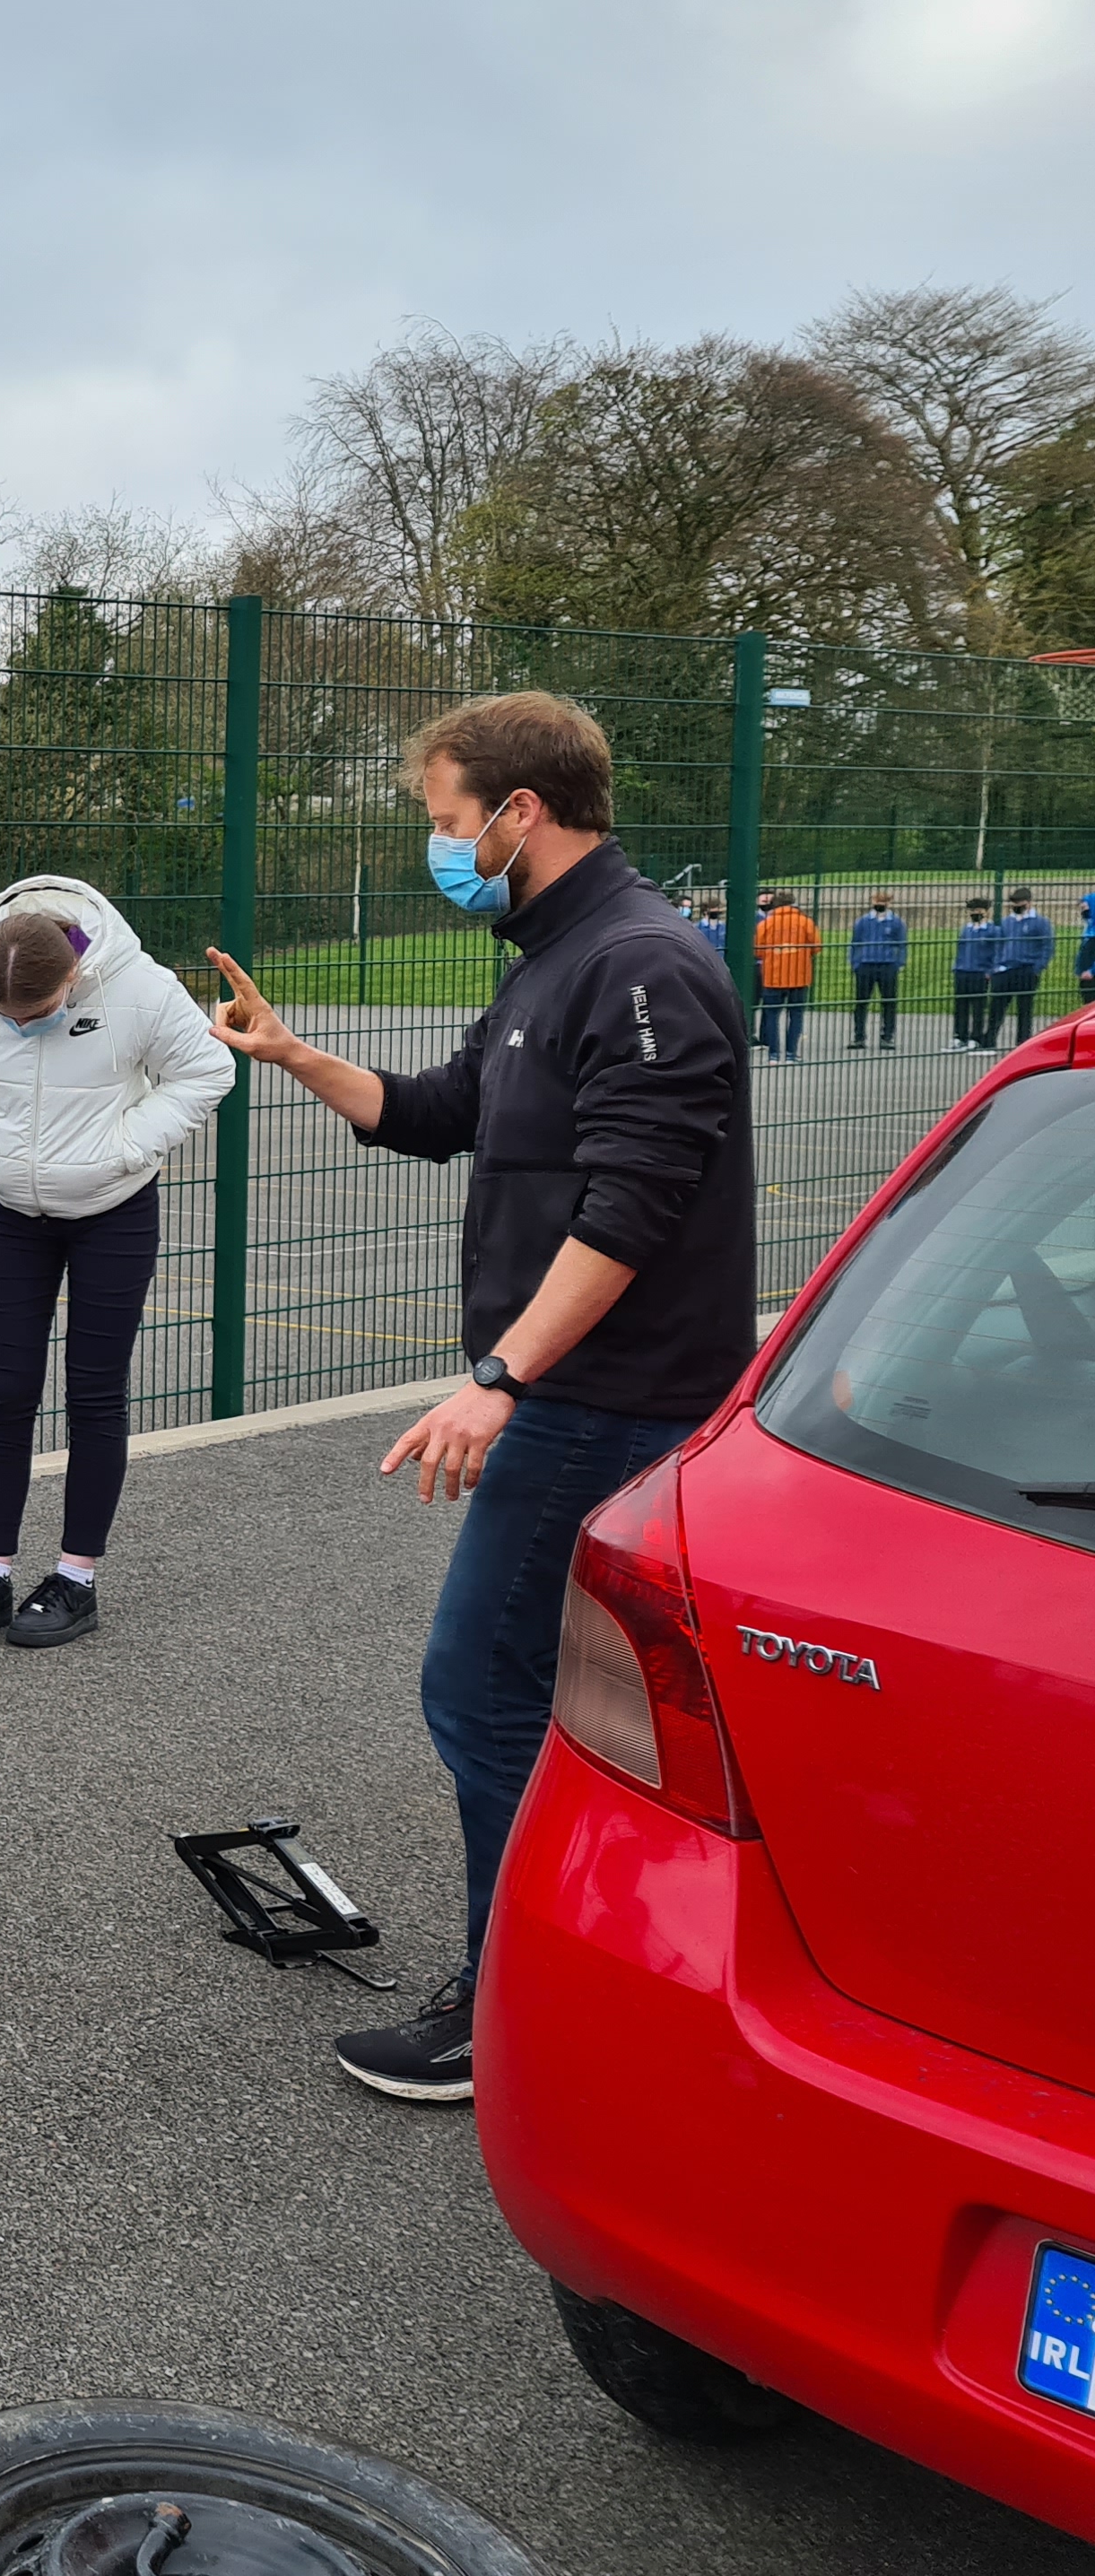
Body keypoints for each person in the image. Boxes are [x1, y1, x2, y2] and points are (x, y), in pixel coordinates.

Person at [205, 691, 753, 2106]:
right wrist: (293, 1053)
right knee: (567, 1697)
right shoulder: (552, 958)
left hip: (603, 1403)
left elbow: (634, 1207)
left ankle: (511, 1999)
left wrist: (504, 1376)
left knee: (483, 1687)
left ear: (521, 810)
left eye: (446, 821)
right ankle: (596, 1964)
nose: (438, 847)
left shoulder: (641, 961)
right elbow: (441, 1113)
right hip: (574, 1395)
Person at [0, 876, 230, 1649]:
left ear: (73, 976)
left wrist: (128, 1146)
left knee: (94, 1394)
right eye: (5, 1020)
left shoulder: (141, 987)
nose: (21, 1028)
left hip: (114, 1210)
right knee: (5, 1391)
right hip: (9, 1211)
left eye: (37, 1014)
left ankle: (75, 1579)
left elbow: (206, 1071)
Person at [751, 889, 819, 1060]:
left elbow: (757, 950)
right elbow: (816, 947)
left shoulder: (766, 924)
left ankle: (774, 1054)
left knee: (772, 1015)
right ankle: (791, 1054)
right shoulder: (805, 922)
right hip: (799, 976)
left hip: (773, 977)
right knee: (796, 1015)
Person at [845, 890, 906, 1050]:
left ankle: (887, 1037)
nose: (879, 905)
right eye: (877, 901)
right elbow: (855, 943)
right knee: (861, 1002)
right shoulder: (863, 921)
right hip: (866, 965)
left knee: (889, 1002)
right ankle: (859, 1037)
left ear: (889, 903)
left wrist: (898, 963)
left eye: (883, 902)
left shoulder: (896, 922)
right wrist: (855, 963)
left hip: (887, 965)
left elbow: (902, 944)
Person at [995, 885, 1053, 1045]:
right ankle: (989, 1041)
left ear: (1029, 903)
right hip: (1005, 969)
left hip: (1027, 969)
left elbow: (1047, 946)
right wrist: (997, 966)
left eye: (1020, 903)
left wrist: (1037, 967)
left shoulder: (1040, 922)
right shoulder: (1007, 922)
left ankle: (1022, 1042)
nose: (1016, 907)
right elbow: (999, 944)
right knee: (997, 1007)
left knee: (1025, 1009)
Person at [952, 896, 1001, 1049]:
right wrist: (957, 967)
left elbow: (997, 952)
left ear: (986, 912)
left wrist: (990, 971)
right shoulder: (966, 930)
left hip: (980, 972)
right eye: (972, 911)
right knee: (961, 1006)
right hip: (963, 971)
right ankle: (960, 1036)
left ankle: (976, 1037)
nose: (975, 913)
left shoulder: (992, 931)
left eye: (978, 910)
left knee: (978, 1006)